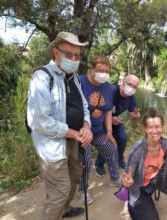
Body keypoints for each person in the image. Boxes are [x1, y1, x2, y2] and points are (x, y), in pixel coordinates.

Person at [27, 31, 93, 219]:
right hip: (52, 144)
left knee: (73, 179)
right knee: (60, 191)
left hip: (74, 140)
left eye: (77, 55)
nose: (73, 59)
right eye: (68, 54)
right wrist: (73, 133)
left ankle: (64, 211)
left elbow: (85, 107)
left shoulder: (75, 77)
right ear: (56, 53)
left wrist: (86, 126)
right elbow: (38, 120)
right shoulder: (42, 77)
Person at [78, 56, 121, 204]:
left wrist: (109, 132)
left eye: (107, 71)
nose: (104, 74)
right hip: (81, 131)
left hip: (99, 130)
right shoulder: (79, 82)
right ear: (92, 69)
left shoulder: (108, 87)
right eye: (101, 70)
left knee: (111, 148)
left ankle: (115, 178)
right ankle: (82, 189)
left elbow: (108, 111)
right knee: (87, 160)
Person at [95, 74, 140, 176]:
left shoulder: (132, 98)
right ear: (123, 83)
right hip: (100, 120)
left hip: (115, 121)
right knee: (105, 142)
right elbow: (95, 109)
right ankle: (99, 164)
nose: (132, 88)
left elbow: (133, 117)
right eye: (130, 85)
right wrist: (110, 119)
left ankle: (119, 159)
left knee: (122, 138)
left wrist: (135, 116)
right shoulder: (110, 91)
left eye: (135, 87)